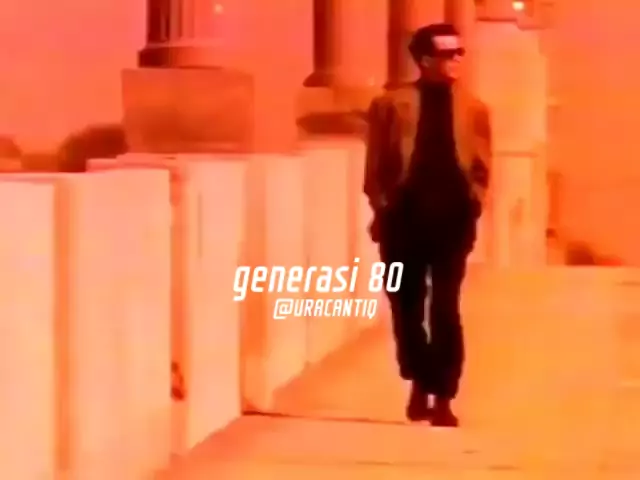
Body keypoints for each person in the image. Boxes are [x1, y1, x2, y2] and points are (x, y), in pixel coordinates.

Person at [364, 23, 492, 427]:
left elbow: (482, 164)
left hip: (452, 220)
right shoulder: (390, 105)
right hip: (404, 219)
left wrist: (474, 201)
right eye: (447, 53)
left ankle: (444, 395)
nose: (456, 60)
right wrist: (383, 206)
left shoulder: (474, 108)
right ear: (424, 60)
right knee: (405, 305)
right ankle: (419, 379)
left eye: (459, 52)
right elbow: (375, 165)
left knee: (445, 306)